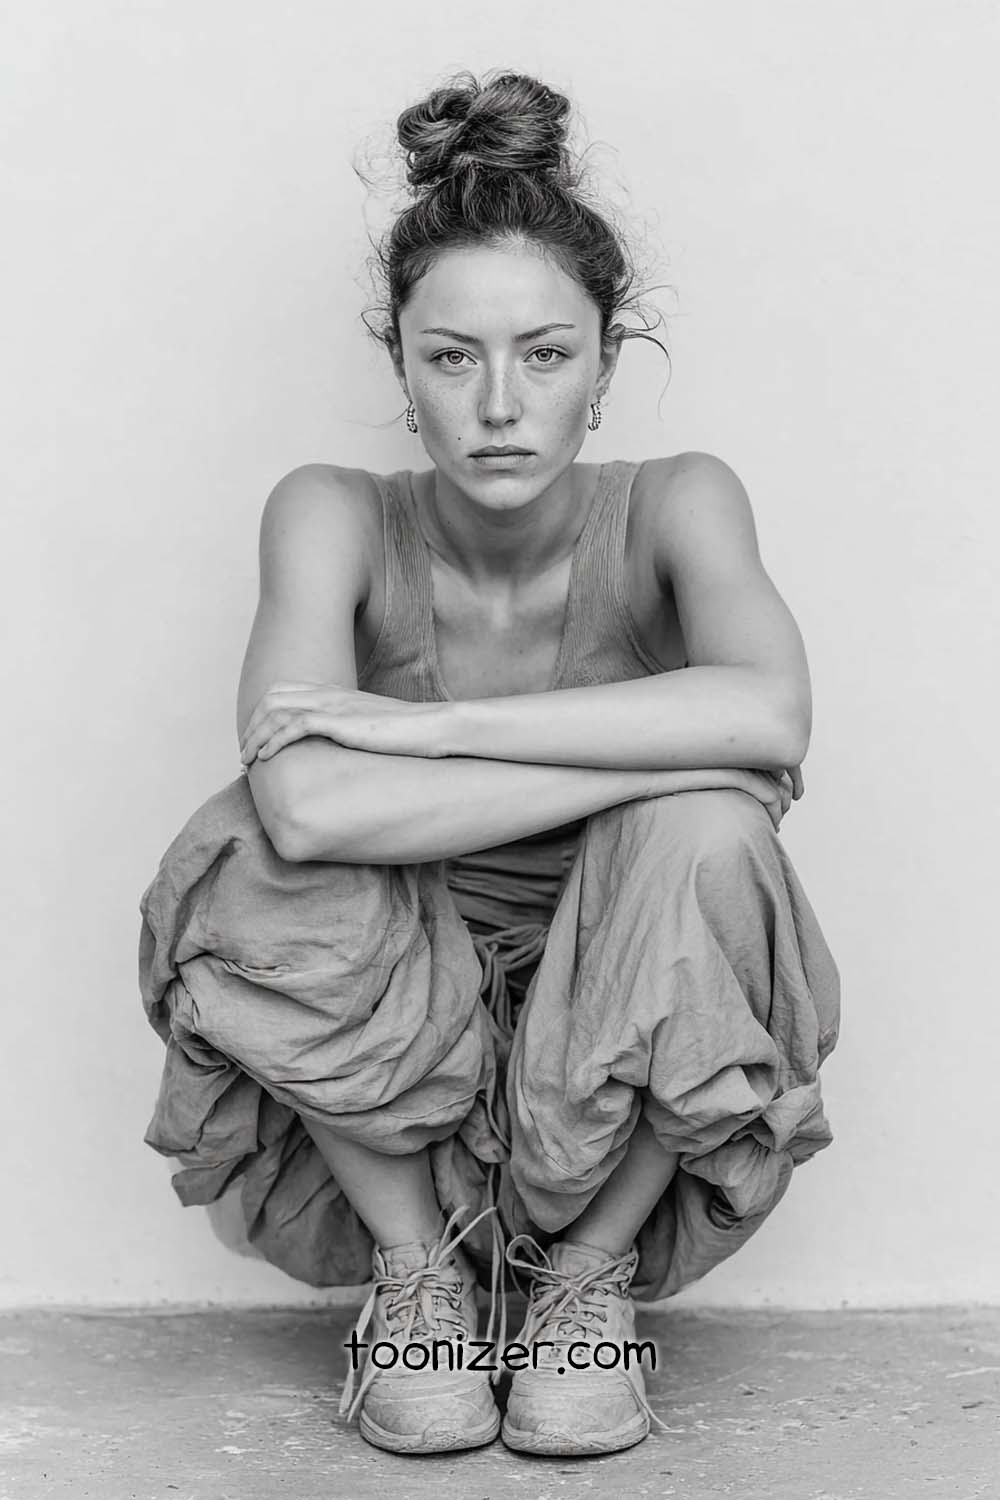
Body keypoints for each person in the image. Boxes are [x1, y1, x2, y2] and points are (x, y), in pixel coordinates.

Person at [138, 68, 840, 1460]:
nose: (501, 404)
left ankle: (588, 1284)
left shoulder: (680, 502)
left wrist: (433, 727)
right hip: (391, 1089)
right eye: (452, 356)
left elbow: (770, 717)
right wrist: (649, 751)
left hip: (634, 1064)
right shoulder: (329, 512)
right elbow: (305, 797)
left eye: (547, 354)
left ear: (607, 363)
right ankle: (424, 1285)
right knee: (255, 850)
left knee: (714, 834)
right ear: (399, 366)